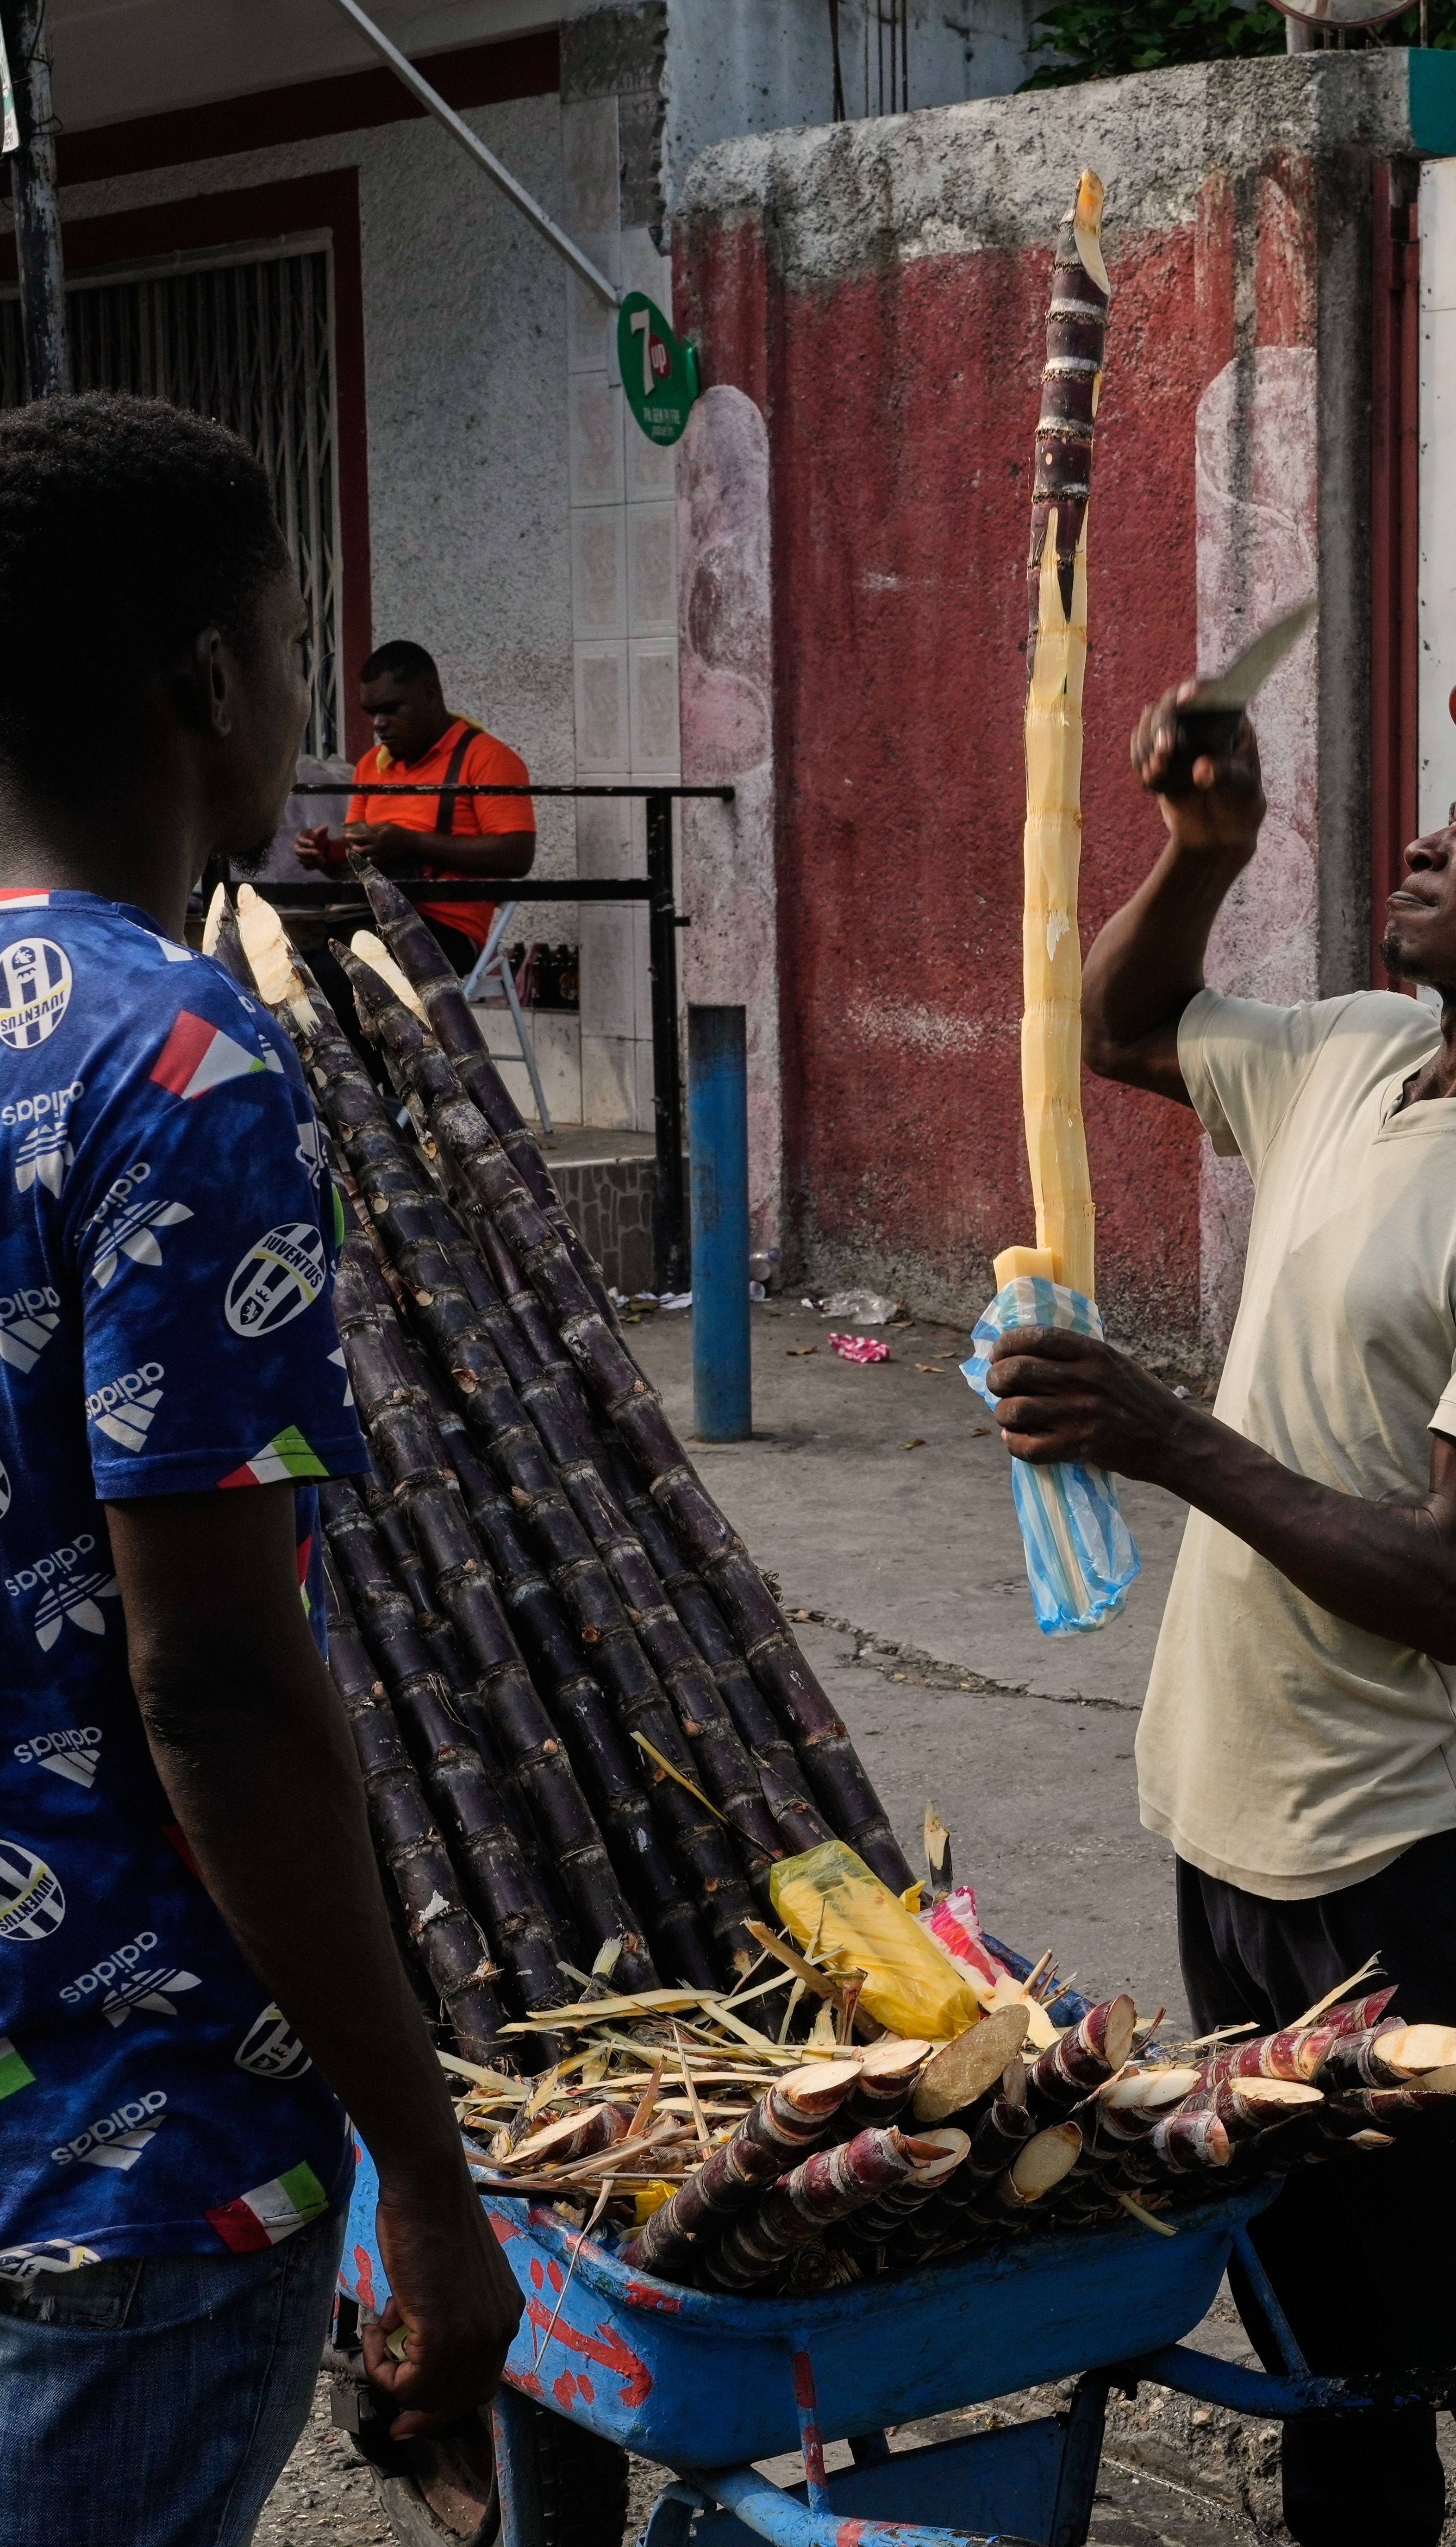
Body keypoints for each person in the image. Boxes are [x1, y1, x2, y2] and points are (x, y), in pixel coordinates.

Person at [986, 678, 1456, 2547]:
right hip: (1229, 1828)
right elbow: (1112, 1020)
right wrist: (1201, 852)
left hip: (1403, 1868)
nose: (1427, 837)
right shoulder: (1358, 1054)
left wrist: (1165, 1431)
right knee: (1323, 2335)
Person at [0, 395, 518, 2546]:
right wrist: (426, 2161)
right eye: (299, 654)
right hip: (139, 2141)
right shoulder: (182, 1061)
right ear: (213, 679)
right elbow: (211, 1677)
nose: (311, 707)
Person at [293, 639, 535, 978]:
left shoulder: (487, 758)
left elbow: (518, 855)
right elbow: (355, 853)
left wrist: (414, 843)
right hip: (370, 920)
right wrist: (325, 853)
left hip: (445, 928)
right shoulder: (370, 767)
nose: (379, 724)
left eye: (391, 709)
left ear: (430, 695)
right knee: (298, 974)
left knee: (337, 979)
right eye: (372, 713)